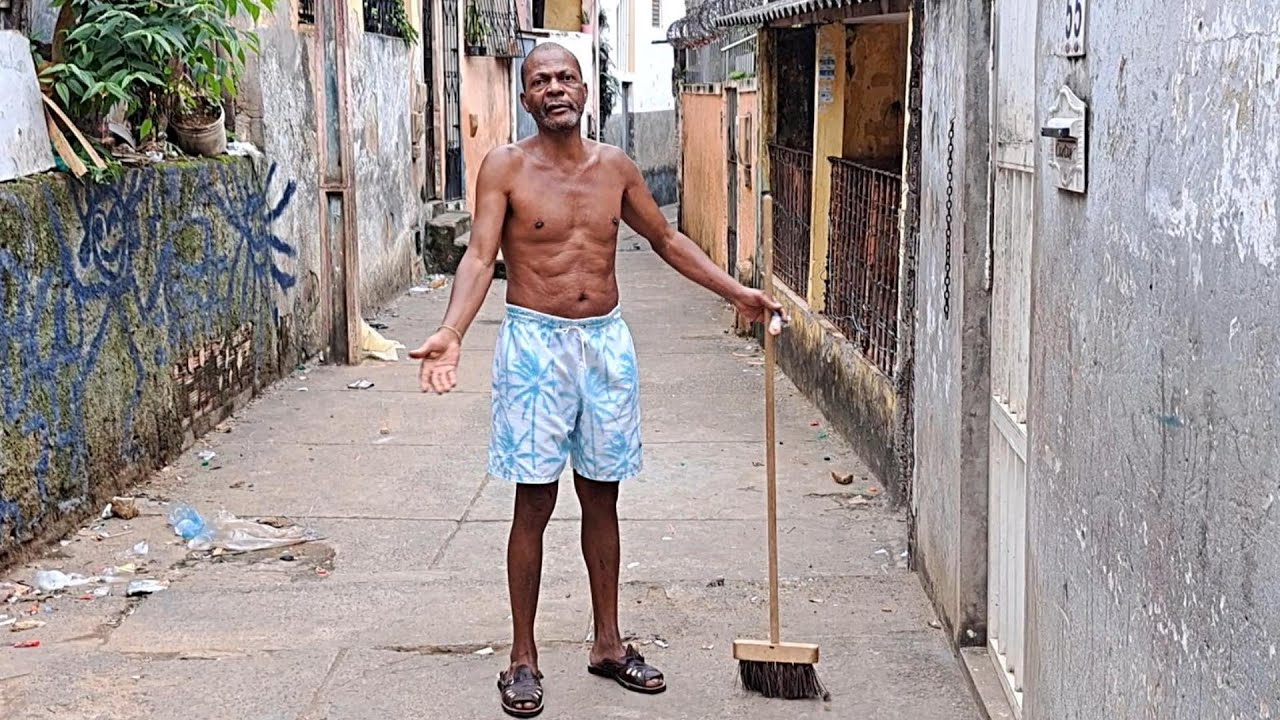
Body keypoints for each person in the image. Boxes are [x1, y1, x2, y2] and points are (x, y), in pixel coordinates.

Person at [409, 42, 784, 718]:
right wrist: (452, 331)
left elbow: (666, 239)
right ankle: (523, 658)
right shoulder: (505, 168)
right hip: (534, 348)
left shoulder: (615, 167)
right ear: (526, 97)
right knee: (533, 502)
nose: (555, 88)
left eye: (566, 77)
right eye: (541, 80)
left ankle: (608, 644)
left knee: (602, 497)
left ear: (586, 90)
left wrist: (736, 291)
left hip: (606, 347)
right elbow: (480, 256)